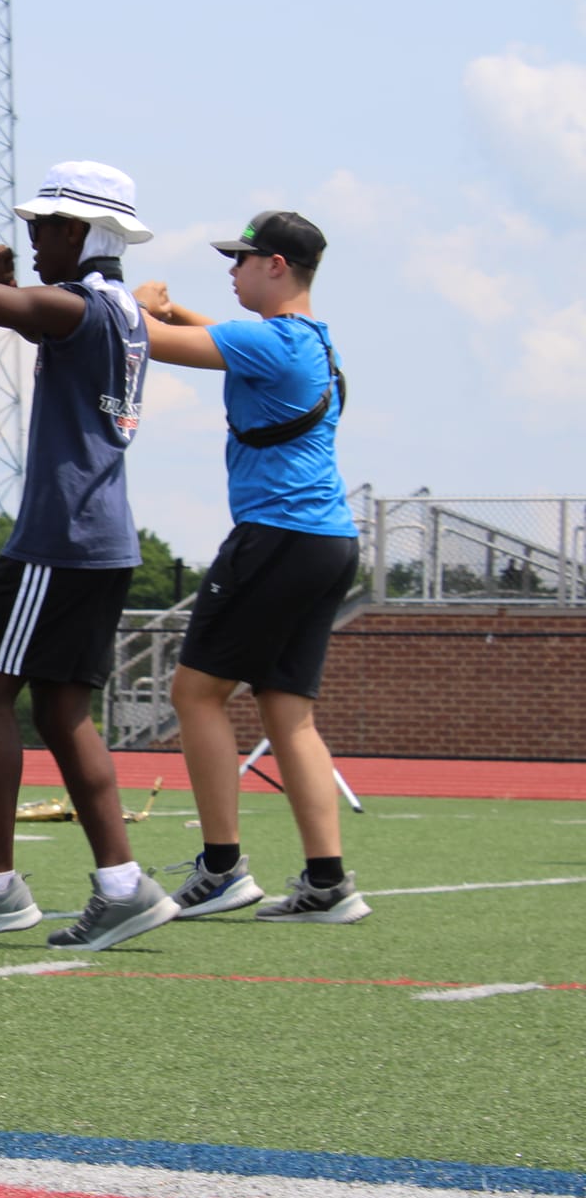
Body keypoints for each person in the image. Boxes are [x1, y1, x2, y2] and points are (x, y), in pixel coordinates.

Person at [0, 162, 179, 952]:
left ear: (78, 231)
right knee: (61, 713)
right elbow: (37, 321)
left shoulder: (76, 305)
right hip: (103, 540)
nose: (33, 241)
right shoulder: (120, 310)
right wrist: (13, 292)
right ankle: (122, 884)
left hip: (57, 539)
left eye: (43, 227)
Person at [134, 210, 369, 924]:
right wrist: (178, 310)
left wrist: (135, 304)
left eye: (241, 259)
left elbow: (143, 340)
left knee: (194, 693)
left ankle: (222, 867)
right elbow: (222, 335)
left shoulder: (267, 342)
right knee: (288, 712)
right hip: (328, 542)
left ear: (275, 265)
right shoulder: (312, 342)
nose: (232, 271)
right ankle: (327, 883)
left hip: (276, 537)